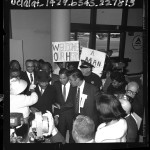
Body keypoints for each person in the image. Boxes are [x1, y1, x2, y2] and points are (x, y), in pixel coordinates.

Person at [53, 68, 77, 143]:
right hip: (61, 115)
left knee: (72, 136)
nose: (61, 80)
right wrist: (56, 115)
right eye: (60, 78)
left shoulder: (74, 85)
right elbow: (54, 100)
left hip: (71, 114)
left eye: (64, 78)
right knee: (61, 136)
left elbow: (74, 101)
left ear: (68, 77)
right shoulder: (56, 84)